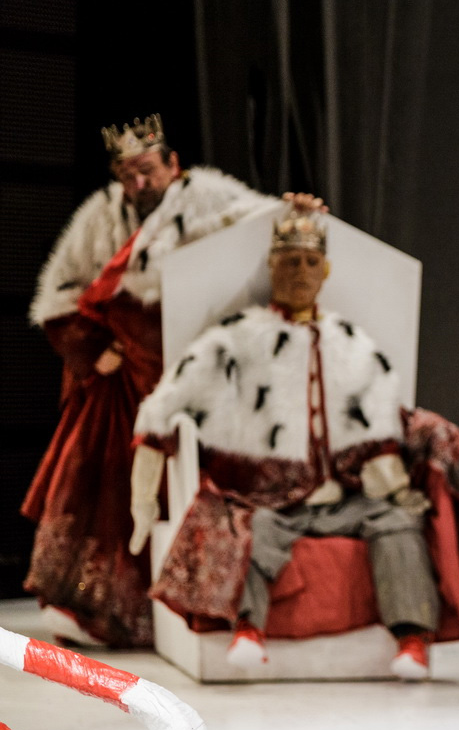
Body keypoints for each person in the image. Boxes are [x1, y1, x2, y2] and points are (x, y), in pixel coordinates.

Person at [22, 114, 321, 649]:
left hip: (183, 366)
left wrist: (295, 210)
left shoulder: (209, 198)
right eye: (128, 175)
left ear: (172, 164)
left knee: (185, 490)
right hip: (120, 379)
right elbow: (60, 294)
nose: (140, 184)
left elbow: (261, 220)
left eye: (148, 171)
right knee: (97, 481)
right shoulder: (101, 217)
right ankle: (85, 605)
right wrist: (91, 349)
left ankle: (171, 609)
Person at [131, 212, 447, 680]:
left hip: (339, 497)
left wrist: (401, 483)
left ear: (326, 270)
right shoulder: (237, 338)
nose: (301, 272)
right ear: (272, 268)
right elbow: (161, 412)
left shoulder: (351, 344)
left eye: (310, 262)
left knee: (397, 522)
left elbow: (380, 425)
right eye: (290, 261)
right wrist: (142, 503)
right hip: (269, 498)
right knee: (250, 527)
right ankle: (247, 630)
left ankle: (412, 639)